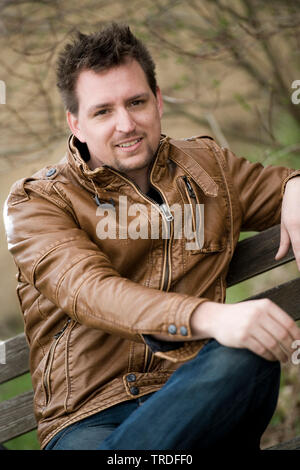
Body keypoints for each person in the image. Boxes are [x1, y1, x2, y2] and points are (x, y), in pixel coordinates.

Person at [4, 23, 300, 451]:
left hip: (199, 395)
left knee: (246, 352)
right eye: (103, 111)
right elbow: (91, 291)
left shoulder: (208, 167)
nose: (127, 123)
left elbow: (277, 186)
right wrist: (214, 317)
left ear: (158, 101)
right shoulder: (37, 202)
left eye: (137, 102)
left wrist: (295, 186)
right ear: (76, 123)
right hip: (92, 420)